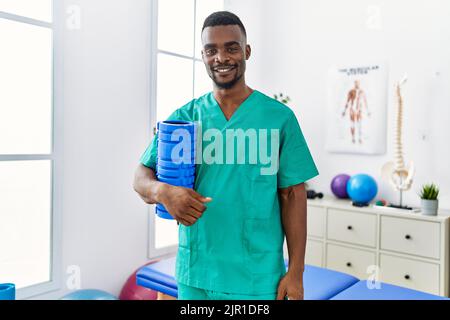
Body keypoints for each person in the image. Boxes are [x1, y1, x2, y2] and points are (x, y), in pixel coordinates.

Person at [133, 11, 319, 300]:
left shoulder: (279, 118)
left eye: (231, 47)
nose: (221, 57)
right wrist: (163, 191)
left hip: (257, 277)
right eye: (211, 50)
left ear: (246, 51)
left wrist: (296, 272)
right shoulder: (185, 117)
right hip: (196, 273)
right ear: (204, 56)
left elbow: (292, 196)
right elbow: (141, 178)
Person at [341, 80, 371, 144]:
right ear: (354, 84)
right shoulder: (351, 91)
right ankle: (353, 138)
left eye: (358, 83)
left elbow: (365, 101)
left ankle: (360, 138)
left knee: (360, 124)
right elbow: (347, 101)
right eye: (356, 83)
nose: (357, 84)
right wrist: (344, 111)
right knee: (352, 124)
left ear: (359, 84)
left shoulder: (362, 92)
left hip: (359, 109)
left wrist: (368, 111)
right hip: (352, 110)